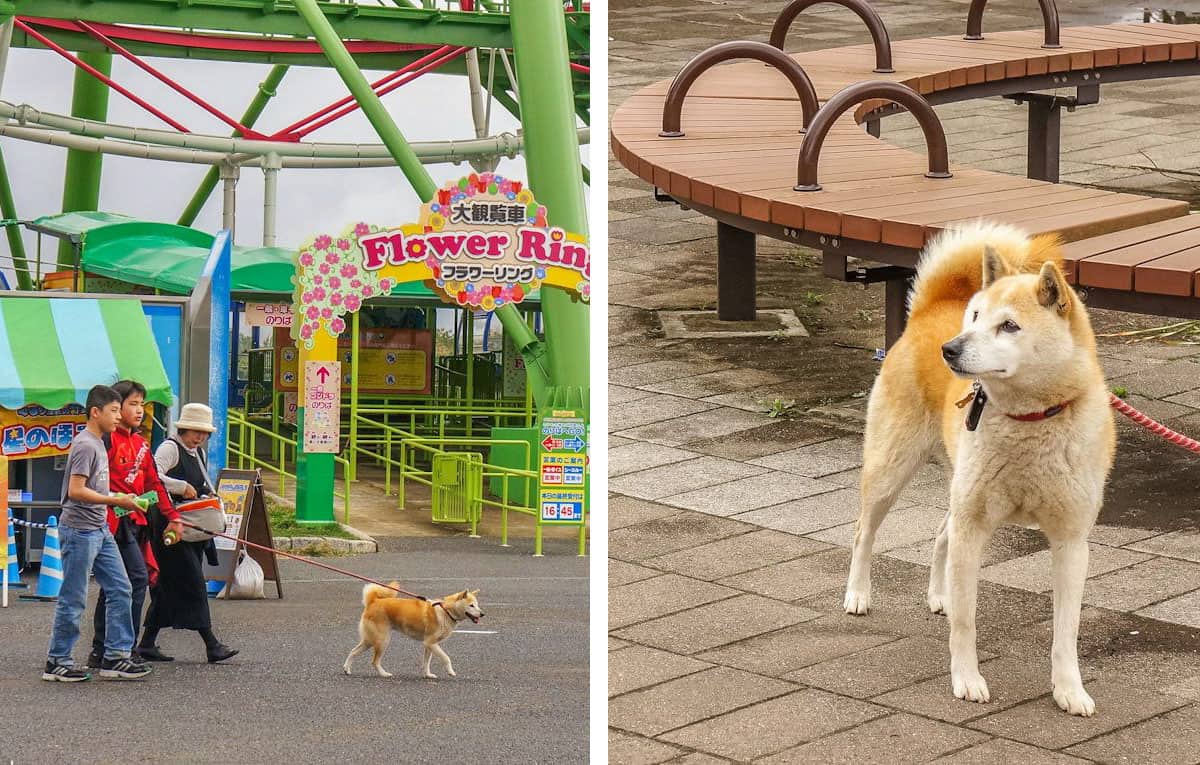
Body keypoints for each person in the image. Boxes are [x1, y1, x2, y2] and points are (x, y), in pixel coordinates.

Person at [44, 385, 152, 682]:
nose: (119, 416)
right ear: (96, 412)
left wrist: (121, 499)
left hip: (100, 528)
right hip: (79, 530)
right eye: (114, 410)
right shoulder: (85, 445)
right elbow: (76, 490)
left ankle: (116, 657)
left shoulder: (100, 442)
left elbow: (97, 488)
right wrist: (117, 500)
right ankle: (57, 661)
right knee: (74, 597)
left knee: (122, 588)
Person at [87, 380, 180, 667]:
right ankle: (120, 648)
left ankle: (104, 649)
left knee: (117, 586)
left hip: (136, 523)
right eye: (132, 404)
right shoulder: (105, 441)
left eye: (142, 404)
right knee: (133, 580)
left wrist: (173, 517)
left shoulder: (140, 444)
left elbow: (154, 483)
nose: (139, 410)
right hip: (110, 523)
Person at [141, 403, 238, 663]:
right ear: (183, 428)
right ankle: (212, 644)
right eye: (196, 431)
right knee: (193, 582)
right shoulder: (169, 448)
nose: (200, 437)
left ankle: (147, 643)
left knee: (168, 586)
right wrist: (181, 486)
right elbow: (152, 477)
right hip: (170, 528)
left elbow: (199, 485)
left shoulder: (199, 454)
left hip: (193, 527)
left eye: (204, 433)